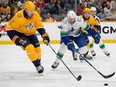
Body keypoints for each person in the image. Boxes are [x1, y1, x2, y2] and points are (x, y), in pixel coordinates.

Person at [6, 1, 50, 74]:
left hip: (31, 34)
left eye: (33, 10)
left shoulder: (35, 15)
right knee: (30, 48)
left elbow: (39, 26)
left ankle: (38, 63)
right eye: (31, 10)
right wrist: (16, 39)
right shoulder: (18, 16)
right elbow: (9, 28)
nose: (32, 12)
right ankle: (38, 66)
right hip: (21, 34)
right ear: (26, 10)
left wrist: (45, 35)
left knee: (38, 49)